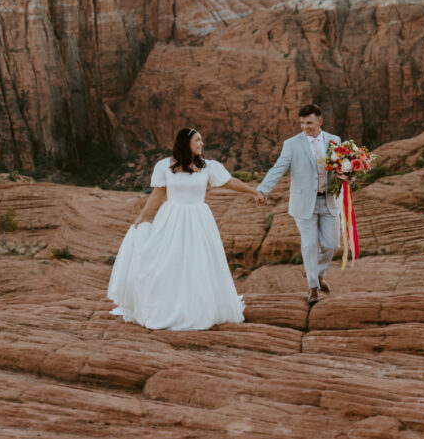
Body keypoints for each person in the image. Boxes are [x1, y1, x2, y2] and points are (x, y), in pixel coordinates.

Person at [107, 127, 264, 330]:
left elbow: (229, 182)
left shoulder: (208, 166)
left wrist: (253, 191)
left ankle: (197, 309)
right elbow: (158, 194)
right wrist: (143, 215)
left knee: (198, 262)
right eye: (198, 140)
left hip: (199, 219)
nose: (202, 144)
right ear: (186, 142)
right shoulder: (164, 166)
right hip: (171, 219)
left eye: (202, 140)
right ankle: (168, 308)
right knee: (168, 263)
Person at [256, 104, 342, 306]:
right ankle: (313, 288)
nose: (305, 127)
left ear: (320, 122)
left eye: (309, 123)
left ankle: (319, 274)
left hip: (329, 200)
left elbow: (340, 168)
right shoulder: (292, 144)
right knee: (310, 244)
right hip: (304, 203)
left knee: (332, 244)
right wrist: (263, 189)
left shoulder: (334, 141)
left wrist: (349, 175)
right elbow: (278, 168)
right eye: (302, 123)